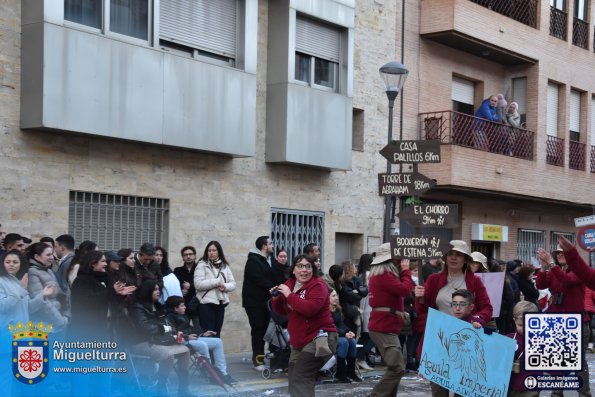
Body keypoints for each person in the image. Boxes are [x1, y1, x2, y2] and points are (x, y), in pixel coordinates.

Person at [414, 240, 493, 397]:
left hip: (465, 344)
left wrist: (478, 319)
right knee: (438, 390)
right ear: (445, 257)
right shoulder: (434, 280)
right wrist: (419, 297)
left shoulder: (474, 281)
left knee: (463, 391)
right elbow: (422, 310)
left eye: (458, 255)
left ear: (466, 259)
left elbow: (487, 308)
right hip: (439, 341)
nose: (454, 258)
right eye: (450, 254)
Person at [271, 254, 337, 397]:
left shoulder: (318, 285)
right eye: (300, 266)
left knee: (301, 376)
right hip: (299, 341)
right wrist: (276, 298)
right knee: (294, 378)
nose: (304, 270)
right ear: (293, 269)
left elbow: (310, 309)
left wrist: (289, 295)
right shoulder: (289, 284)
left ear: (313, 269)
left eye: (308, 266)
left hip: (321, 338)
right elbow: (282, 311)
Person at [536, 243, 590, 397]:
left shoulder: (579, 271)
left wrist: (551, 265)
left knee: (579, 361)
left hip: (576, 321)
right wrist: (542, 267)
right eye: (557, 253)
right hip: (557, 322)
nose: (559, 255)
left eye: (562, 253)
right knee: (557, 360)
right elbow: (540, 284)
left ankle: (584, 393)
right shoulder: (553, 271)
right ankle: (556, 392)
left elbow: (566, 280)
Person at [128, 280, 192, 396]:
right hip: (141, 342)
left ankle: (184, 390)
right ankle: (161, 389)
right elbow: (144, 327)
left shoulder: (158, 306)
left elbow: (168, 325)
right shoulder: (137, 307)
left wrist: (174, 336)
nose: (158, 292)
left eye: (159, 289)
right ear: (148, 291)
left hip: (158, 340)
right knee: (167, 355)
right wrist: (163, 329)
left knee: (185, 351)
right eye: (155, 289)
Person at [367, 243, 414, 397]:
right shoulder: (384, 275)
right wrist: (406, 271)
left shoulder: (381, 274)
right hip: (384, 326)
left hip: (384, 325)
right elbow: (405, 290)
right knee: (397, 368)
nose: (401, 260)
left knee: (394, 368)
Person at [164, 296, 236, 385]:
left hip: (191, 339)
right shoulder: (169, 318)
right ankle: (212, 375)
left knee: (217, 342)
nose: (185, 307)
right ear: (175, 308)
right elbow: (174, 333)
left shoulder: (183, 315)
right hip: (181, 342)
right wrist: (187, 337)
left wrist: (202, 333)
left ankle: (222, 373)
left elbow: (190, 329)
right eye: (182, 306)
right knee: (202, 344)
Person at [70, 251, 134, 340]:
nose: (106, 264)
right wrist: (112, 291)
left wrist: (120, 294)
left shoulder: (105, 278)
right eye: (103, 261)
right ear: (93, 263)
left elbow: (109, 299)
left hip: (104, 327)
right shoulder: (82, 280)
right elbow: (89, 301)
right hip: (86, 329)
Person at [242, 235, 276, 371]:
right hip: (254, 303)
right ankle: (258, 361)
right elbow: (258, 279)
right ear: (264, 246)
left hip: (265, 302)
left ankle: (271, 358)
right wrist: (274, 287)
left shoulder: (269, 260)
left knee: (268, 330)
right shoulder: (253, 260)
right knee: (258, 331)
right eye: (270, 243)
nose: (273, 246)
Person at [193, 240, 236, 337]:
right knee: (208, 334)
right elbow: (198, 284)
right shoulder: (202, 264)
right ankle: (208, 353)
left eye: (214, 250)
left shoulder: (224, 265)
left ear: (219, 252)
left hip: (221, 303)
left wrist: (224, 286)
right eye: (209, 250)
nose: (211, 253)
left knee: (217, 334)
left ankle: (215, 352)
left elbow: (233, 284)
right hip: (206, 304)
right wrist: (216, 282)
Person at [0, 249, 54, 324]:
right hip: (7, 330)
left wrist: (42, 294)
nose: (11, 264)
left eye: (15, 262)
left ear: (21, 264)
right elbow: (2, 306)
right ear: (3, 264)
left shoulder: (20, 281)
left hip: (23, 329)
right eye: (7, 262)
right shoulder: (1, 281)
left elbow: (28, 308)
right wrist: (21, 290)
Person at [27, 242, 69, 332]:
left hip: (57, 322)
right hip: (43, 325)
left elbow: (60, 294)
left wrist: (66, 314)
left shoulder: (48, 270)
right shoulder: (32, 272)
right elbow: (41, 301)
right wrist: (60, 321)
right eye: (48, 255)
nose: (52, 258)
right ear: (37, 257)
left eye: (52, 254)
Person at [506, 301, 540, 397]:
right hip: (510, 388)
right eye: (521, 325)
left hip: (530, 389)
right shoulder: (508, 339)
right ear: (514, 320)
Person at [329, 287, 361, 383]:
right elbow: (331, 326)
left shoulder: (337, 309)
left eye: (336, 295)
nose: (337, 298)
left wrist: (348, 331)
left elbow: (341, 324)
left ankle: (351, 372)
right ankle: (340, 372)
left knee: (352, 341)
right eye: (333, 296)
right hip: (328, 336)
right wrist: (344, 334)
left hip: (337, 334)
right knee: (343, 342)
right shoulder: (325, 311)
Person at [356, 253, 376, 371]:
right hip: (369, 307)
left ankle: (360, 357)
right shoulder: (370, 275)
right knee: (371, 336)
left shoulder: (360, 275)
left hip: (362, 307)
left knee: (364, 335)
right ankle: (360, 357)